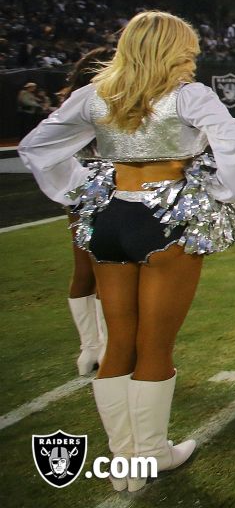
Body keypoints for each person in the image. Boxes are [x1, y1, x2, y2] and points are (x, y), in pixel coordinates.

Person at [18, 11, 235, 492]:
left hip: (109, 220)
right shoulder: (190, 96)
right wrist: (223, 192)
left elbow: (36, 146)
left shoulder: (97, 94)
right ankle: (151, 454)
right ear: (170, 49)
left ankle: (123, 459)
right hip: (165, 221)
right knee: (155, 345)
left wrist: (78, 189)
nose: (193, 58)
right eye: (188, 50)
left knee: (118, 343)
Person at [59, 47, 114, 376]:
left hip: (78, 191)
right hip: (109, 189)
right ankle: (107, 346)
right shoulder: (110, 104)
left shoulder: (72, 105)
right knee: (109, 269)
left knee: (84, 269)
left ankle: (89, 349)